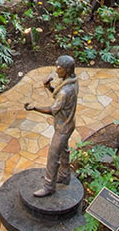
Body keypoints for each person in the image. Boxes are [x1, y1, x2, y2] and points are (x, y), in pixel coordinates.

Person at [24, 55, 79, 197]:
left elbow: (53, 110)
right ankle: (64, 175)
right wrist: (49, 88)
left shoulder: (66, 91)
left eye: (59, 67)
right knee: (64, 150)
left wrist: (34, 107)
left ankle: (49, 186)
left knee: (53, 156)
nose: (56, 70)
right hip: (67, 124)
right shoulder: (71, 82)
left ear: (66, 70)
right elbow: (59, 98)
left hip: (63, 127)